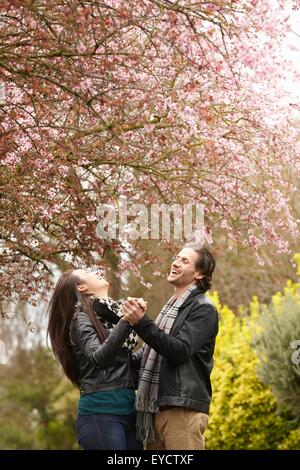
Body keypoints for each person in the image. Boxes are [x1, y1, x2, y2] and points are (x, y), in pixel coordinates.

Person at [122, 243, 218, 450]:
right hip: (156, 407)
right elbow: (151, 352)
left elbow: (179, 350)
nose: (175, 263)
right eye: (177, 257)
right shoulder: (170, 308)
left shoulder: (204, 309)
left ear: (199, 274)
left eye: (185, 261)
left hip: (181, 409)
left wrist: (141, 323)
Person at [47, 268, 144, 450]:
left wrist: (153, 341)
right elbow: (98, 358)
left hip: (129, 411)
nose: (97, 272)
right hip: (101, 415)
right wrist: (126, 322)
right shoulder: (80, 320)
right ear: (82, 287)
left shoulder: (111, 317)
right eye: (88, 272)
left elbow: (126, 363)